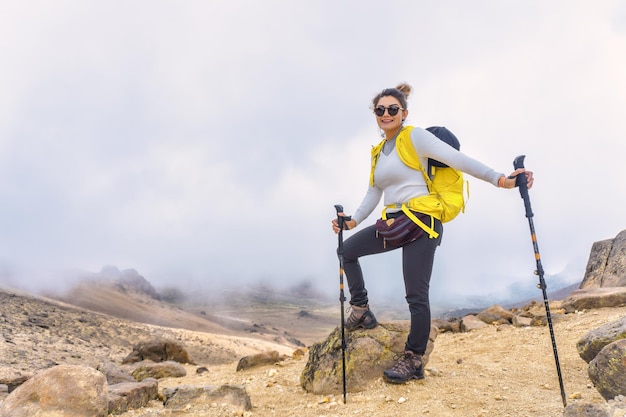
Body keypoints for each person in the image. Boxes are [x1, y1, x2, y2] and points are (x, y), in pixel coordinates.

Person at [331, 83, 533, 384]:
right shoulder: (378, 152)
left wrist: (501, 180)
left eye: (392, 109)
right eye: (380, 110)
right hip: (394, 221)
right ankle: (361, 309)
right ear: (375, 114)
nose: (386, 114)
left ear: (404, 113)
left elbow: (458, 160)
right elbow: (374, 191)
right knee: (346, 251)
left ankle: (413, 359)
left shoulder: (414, 137)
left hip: (423, 222)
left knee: (416, 294)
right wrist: (353, 221)